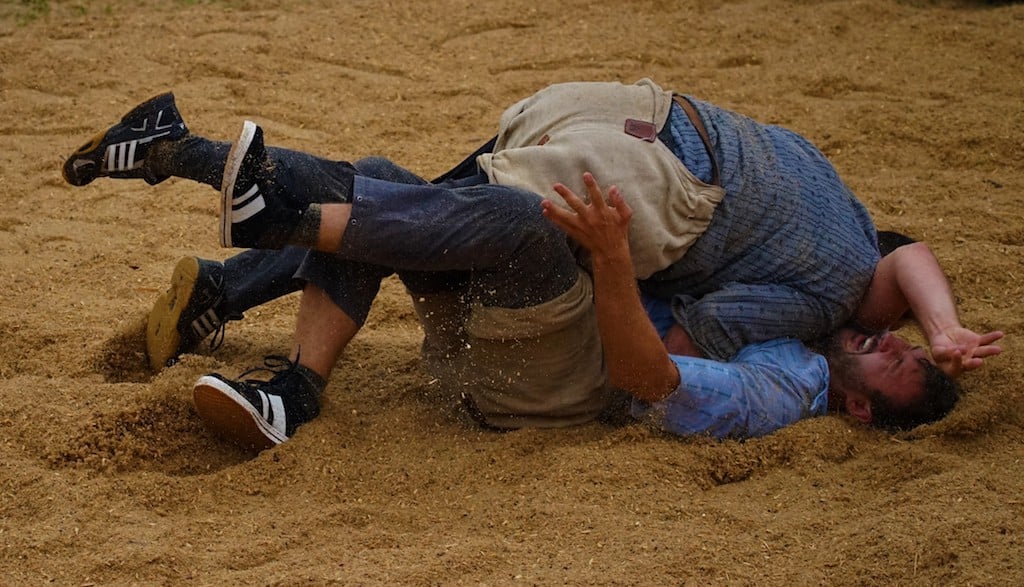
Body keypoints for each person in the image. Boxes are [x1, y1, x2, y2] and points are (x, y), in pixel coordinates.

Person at [61, 88, 1001, 450]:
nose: (892, 340)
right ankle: (290, 390)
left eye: (897, 361)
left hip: (555, 380)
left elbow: (653, 375)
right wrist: (946, 326)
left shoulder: (788, 375)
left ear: (863, 410)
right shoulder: (835, 293)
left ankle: (235, 228)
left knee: (502, 219)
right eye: (901, 336)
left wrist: (611, 263)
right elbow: (896, 256)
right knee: (404, 191)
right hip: (536, 327)